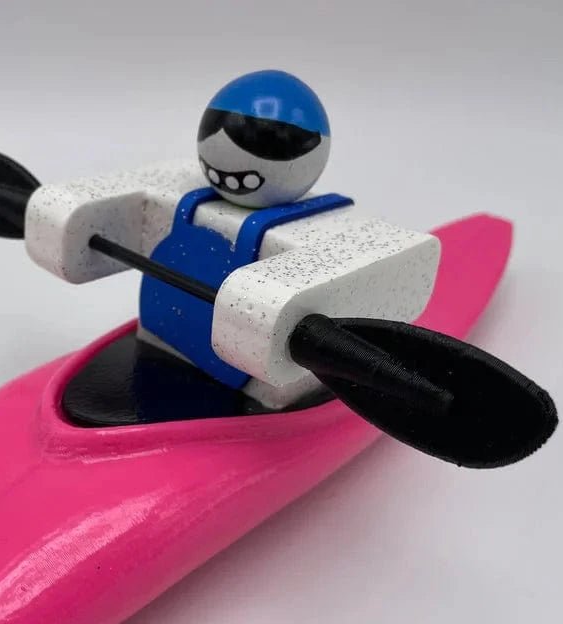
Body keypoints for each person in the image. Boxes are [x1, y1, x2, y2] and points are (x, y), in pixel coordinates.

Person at [24, 69, 441, 409]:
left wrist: (280, 309)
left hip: (258, 387)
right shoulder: (186, 195)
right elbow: (138, 190)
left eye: (263, 139)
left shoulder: (328, 233)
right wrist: (67, 216)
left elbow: (381, 250)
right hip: (160, 344)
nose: (228, 144)